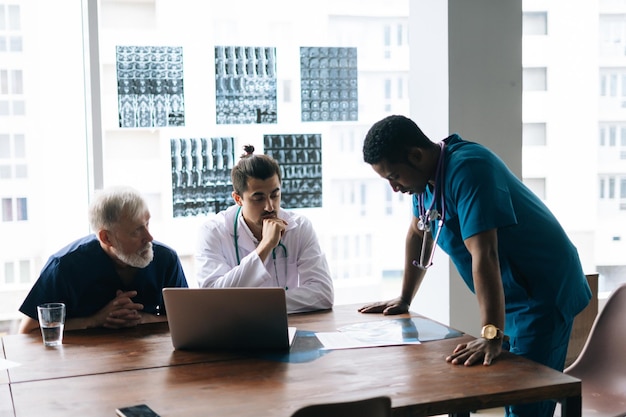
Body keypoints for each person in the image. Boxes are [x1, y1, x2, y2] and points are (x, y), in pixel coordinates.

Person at [359, 115, 591, 417]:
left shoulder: (469, 169)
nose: (394, 188)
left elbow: (485, 254)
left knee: (526, 405)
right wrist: (404, 299)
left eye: (394, 177)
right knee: (499, 389)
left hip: (543, 292)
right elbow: (419, 232)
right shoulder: (425, 183)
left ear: (416, 155)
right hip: (513, 293)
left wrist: (492, 334)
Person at [18, 186, 188, 333]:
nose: (149, 237)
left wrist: (142, 319)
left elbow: (187, 321)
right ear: (106, 238)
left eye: (147, 224)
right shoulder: (64, 266)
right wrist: (95, 321)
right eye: (136, 231)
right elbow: (28, 330)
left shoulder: (166, 259)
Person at [196, 145, 333, 313]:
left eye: (275, 195)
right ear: (238, 199)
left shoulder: (300, 227)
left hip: (289, 326)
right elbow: (212, 300)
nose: (270, 206)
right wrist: (265, 247)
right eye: (258, 198)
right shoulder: (213, 232)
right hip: (234, 332)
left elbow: (323, 294)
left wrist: (251, 305)